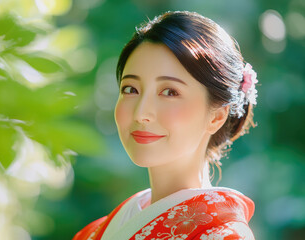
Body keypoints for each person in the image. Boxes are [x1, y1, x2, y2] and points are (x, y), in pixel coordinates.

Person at [74, 10, 258, 240]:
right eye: (130, 89)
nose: (141, 114)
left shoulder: (223, 235)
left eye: (170, 92)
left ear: (216, 117)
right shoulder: (95, 232)